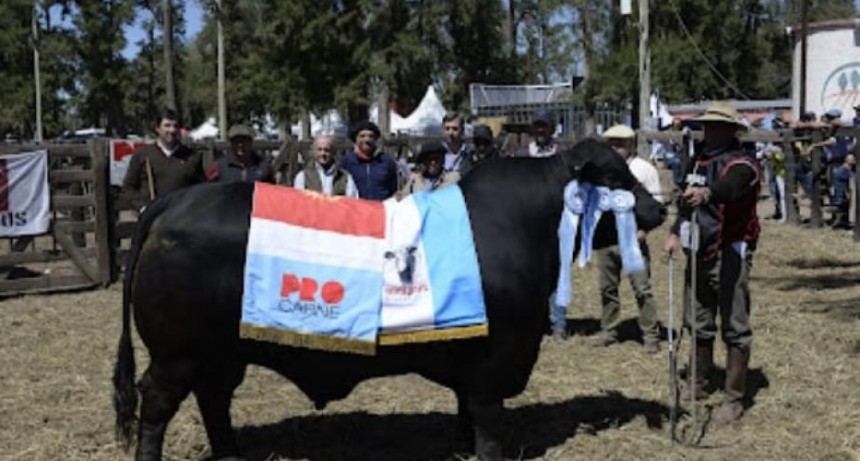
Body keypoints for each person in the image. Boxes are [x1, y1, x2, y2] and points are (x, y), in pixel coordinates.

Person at [663, 101, 760, 424]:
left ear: (732, 129)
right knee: (698, 319)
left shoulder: (744, 163)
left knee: (734, 324)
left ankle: (733, 398)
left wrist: (708, 193)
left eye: (718, 125)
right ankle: (698, 382)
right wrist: (676, 232)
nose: (712, 130)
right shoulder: (698, 158)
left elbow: (731, 188)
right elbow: (685, 202)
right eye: (709, 125)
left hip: (730, 251)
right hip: (697, 248)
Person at [588, 124, 662, 353]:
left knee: (642, 288)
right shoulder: (599, 170)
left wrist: (644, 231)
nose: (615, 147)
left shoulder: (644, 169)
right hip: (606, 238)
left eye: (620, 143)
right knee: (607, 287)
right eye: (611, 143)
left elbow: (656, 207)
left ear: (630, 144)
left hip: (633, 239)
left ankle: (650, 335)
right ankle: (609, 329)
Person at [123, 108, 205, 210]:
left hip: (183, 216)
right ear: (157, 128)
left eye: (175, 126)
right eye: (167, 126)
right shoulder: (143, 155)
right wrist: (142, 207)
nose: (172, 130)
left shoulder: (191, 156)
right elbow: (128, 188)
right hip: (153, 216)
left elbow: (202, 188)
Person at [339, 121, 399, 200]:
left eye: (371, 136)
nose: (367, 139)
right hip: (356, 208)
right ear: (355, 139)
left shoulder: (386, 161)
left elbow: (394, 188)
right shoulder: (346, 161)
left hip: (381, 207)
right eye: (362, 136)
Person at [294, 135, 359, 197]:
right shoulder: (303, 176)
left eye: (327, 150)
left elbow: (352, 202)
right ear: (314, 152)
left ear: (333, 152)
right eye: (319, 149)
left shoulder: (345, 177)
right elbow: (299, 201)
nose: (323, 153)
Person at [207, 124, 274, 183]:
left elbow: (272, 190)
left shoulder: (263, 166)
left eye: (244, 141)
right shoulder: (220, 166)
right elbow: (209, 189)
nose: (240, 145)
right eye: (236, 141)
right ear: (231, 144)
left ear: (251, 142)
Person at [830, 154, 855, 229]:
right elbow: (852, 178)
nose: (853, 161)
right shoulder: (845, 169)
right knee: (842, 206)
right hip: (841, 192)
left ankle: (841, 221)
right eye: (852, 159)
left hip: (841, 191)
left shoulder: (844, 169)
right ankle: (840, 222)